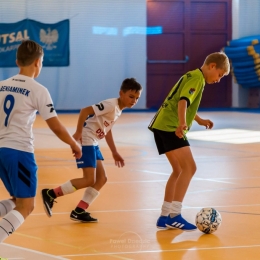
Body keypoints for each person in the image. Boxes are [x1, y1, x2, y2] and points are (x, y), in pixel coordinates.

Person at [0, 40, 82, 243]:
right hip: (19, 151)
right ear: (38, 62)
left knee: (17, 201)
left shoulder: (1, 86)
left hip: (1, 150)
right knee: (26, 206)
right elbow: (55, 126)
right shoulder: (38, 90)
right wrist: (73, 143)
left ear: (18, 61)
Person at [148, 52, 230, 231]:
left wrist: (198, 120)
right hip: (171, 126)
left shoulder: (192, 75)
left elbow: (183, 100)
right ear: (212, 66)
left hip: (160, 125)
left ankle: (164, 216)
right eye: (220, 75)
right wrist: (183, 123)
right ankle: (174, 215)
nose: (219, 79)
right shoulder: (197, 79)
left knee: (178, 169)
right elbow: (183, 102)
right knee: (190, 168)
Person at [41, 78, 142, 222]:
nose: (134, 101)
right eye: (131, 97)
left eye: (137, 98)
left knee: (101, 179)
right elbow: (85, 111)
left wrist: (114, 151)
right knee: (89, 179)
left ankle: (79, 210)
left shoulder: (118, 109)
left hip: (94, 142)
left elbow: (108, 130)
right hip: (88, 139)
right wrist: (78, 132)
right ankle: (51, 194)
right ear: (121, 93)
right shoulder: (111, 105)